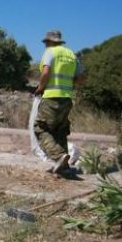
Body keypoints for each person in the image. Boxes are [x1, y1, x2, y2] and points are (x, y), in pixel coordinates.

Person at [34, 30, 84, 174]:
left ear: (49, 42)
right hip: (66, 98)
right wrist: (69, 84)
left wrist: (40, 88)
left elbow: (46, 72)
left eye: (46, 43)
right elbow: (81, 78)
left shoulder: (50, 52)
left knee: (40, 127)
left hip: (51, 97)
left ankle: (58, 156)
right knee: (60, 130)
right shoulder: (71, 55)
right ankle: (64, 165)